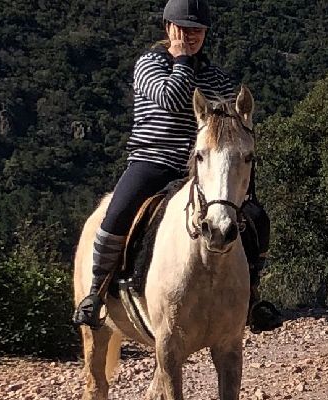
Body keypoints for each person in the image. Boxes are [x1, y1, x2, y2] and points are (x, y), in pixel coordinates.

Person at [72, 0, 283, 333]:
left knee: (256, 218)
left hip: (201, 169)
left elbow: (227, 124)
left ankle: (252, 298)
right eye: (184, 29)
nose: (192, 36)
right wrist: (182, 59)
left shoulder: (216, 77)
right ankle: (95, 293)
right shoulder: (149, 65)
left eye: (197, 30)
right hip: (153, 161)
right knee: (117, 214)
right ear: (168, 27)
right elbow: (172, 98)